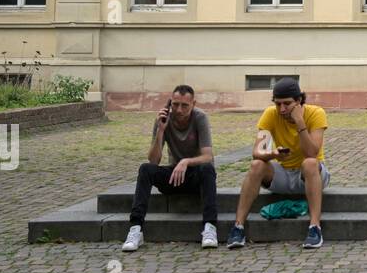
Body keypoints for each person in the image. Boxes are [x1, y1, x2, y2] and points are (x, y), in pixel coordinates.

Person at [227, 77, 330, 249]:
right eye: (278, 104)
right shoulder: (270, 114)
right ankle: (238, 227)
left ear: (299, 101)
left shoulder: (316, 113)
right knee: (256, 165)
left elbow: (311, 152)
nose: (281, 109)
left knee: (310, 163)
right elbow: (257, 152)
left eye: (287, 104)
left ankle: (314, 228)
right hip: (283, 174)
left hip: (311, 175)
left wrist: (300, 122)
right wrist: (273, 154)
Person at [122, 85, 217, 250]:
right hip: (174, 178)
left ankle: (209, 228)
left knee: (208, 169)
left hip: (195, 179)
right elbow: (154, 160)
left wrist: (186, 161)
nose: (179, 109)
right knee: (145, 169)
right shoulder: (163, 119)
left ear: (193, 104)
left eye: (184, 105)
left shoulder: (200, 117)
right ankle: (136, 229)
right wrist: (160, 130)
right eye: (175, 104)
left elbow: (208, 156)